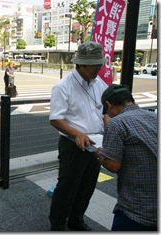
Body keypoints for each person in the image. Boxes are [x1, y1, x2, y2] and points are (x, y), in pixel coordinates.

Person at [48, 41, 109, 231]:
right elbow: (55, 119)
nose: (99, 68)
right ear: (80, 64)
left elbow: (105, 111)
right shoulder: (63, 86)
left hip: (96, 143)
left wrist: (109, 123)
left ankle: (76, 219)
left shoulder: (100, 84)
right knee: (67, 187)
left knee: (88, 185)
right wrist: (76, 133)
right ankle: (57, 223)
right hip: (72, 143)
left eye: (100, 63)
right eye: (94, 64)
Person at [95, 84, 157, 231]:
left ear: (109, 105)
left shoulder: (117, 123)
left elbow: (113, 165)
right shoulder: (154, 117)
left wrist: (98, 152)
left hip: (137, 209)